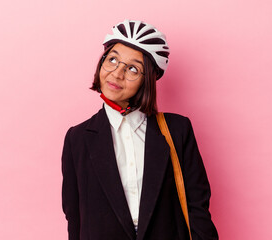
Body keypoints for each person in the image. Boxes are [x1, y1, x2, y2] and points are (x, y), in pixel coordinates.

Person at [61, 19, 218, 240]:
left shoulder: (177, 130)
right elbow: (75, 218)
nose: (116, 74)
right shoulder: (77, 139)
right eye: (112, 60)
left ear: (149, 80)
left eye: (133, 68)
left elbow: (198, 207)